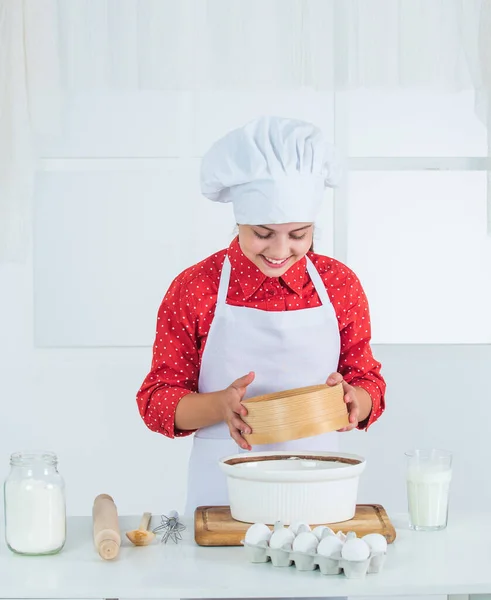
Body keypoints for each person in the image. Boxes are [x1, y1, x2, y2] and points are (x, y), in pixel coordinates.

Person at [136, 116, 386, 516]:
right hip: (223, 493)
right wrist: (220, 406)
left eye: (299, 234)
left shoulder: (339, 284)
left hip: (319, 487)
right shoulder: (196, 287)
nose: (280, 250)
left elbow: (367, 380)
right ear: (238, 221)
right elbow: (156, 401)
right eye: (263, 233)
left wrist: (355, 399)